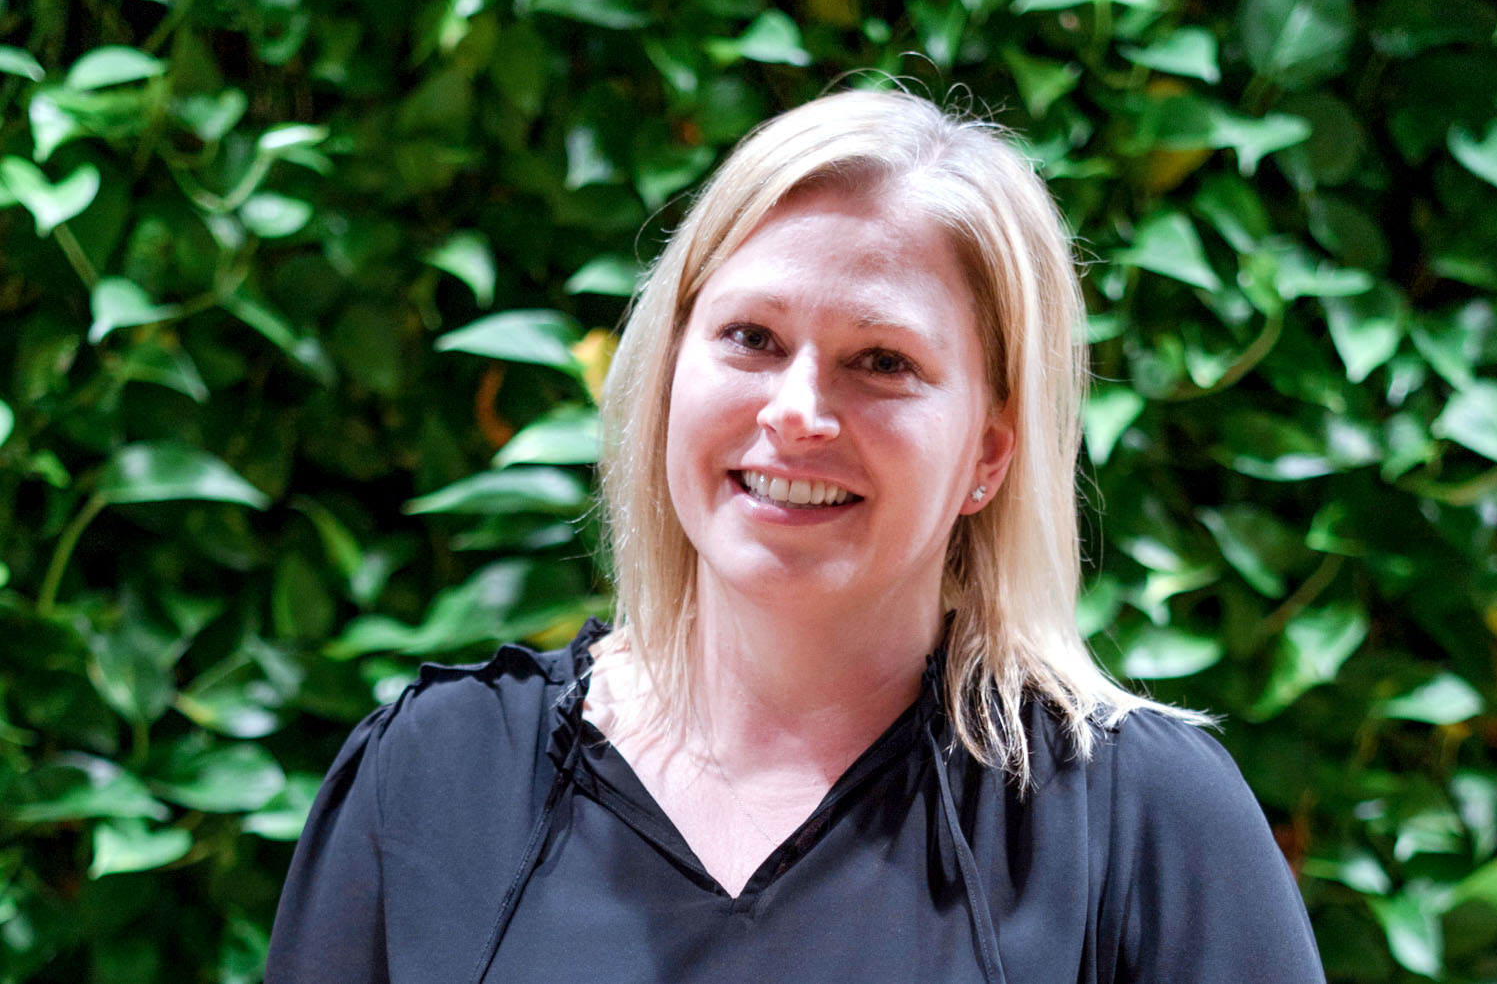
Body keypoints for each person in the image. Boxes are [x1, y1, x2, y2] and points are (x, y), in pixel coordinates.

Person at [265, 89, 1326, 984]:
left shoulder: (1142, 825)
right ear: (670, 368)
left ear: (990, 452)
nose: (797, 411)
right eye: (751, 338)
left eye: (882, 361)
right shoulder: (437, 778)